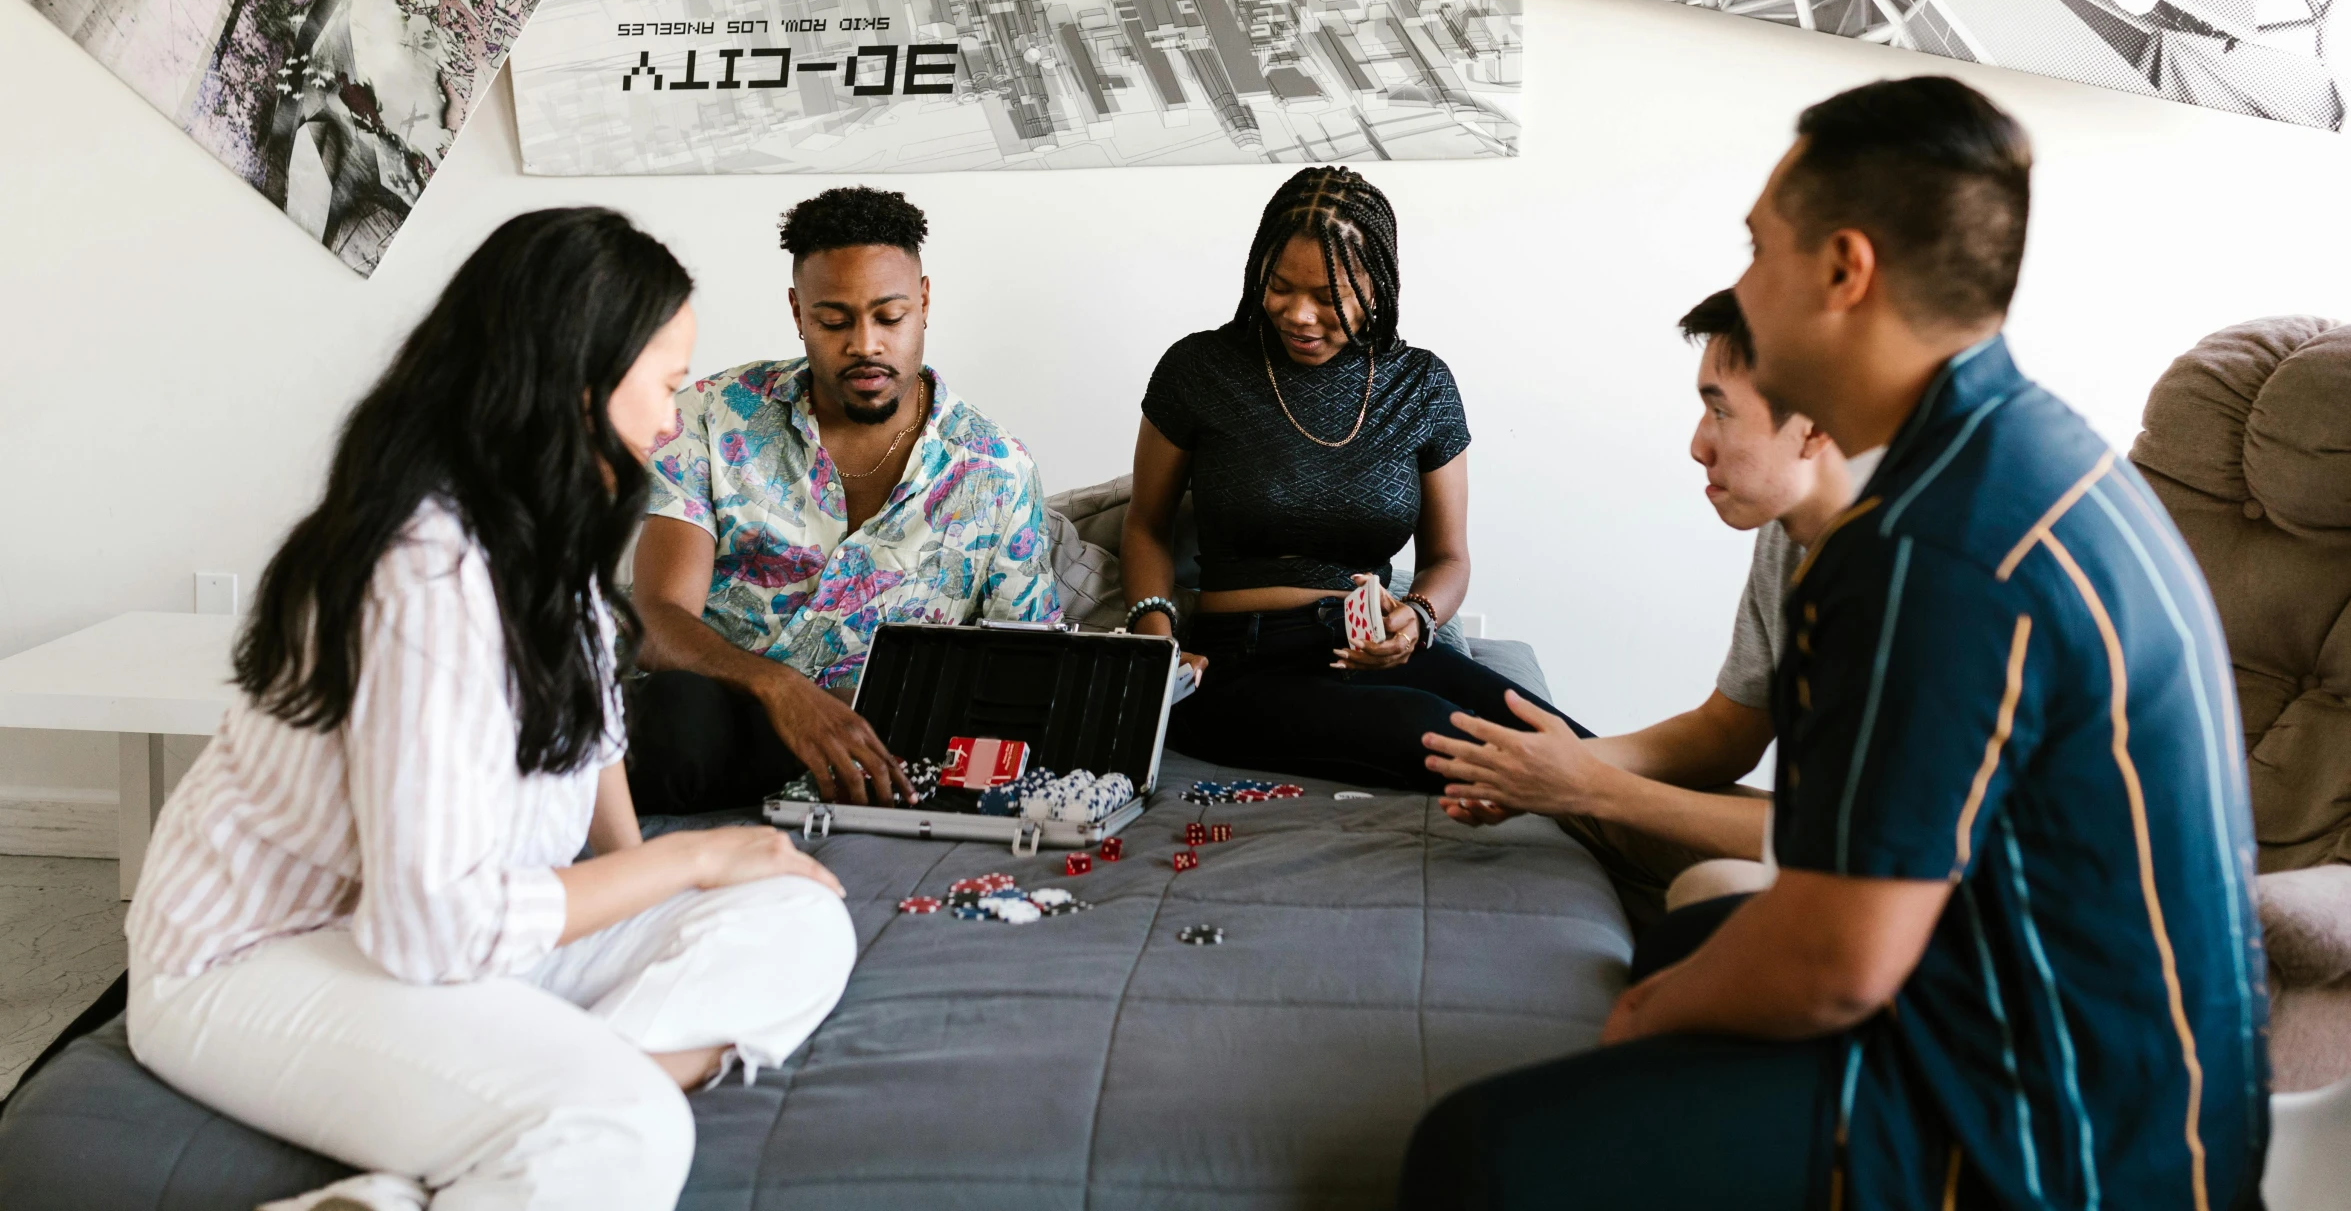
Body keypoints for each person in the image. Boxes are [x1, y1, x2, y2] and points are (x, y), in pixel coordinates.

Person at [1402, 77, 2269, 1211]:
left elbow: (1836, 960)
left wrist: (1643, 1022)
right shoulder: (2036, 452)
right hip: (2150, 1079)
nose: (1743, 286)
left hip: (2063, 1140)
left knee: (1477, 1152)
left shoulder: (1926, 548)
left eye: (1757, 250)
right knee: (1684, 948)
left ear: (1842, 270)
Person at [125, 209, 857, 1211]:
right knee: (631, 1124)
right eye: (668, 383)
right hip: (265, 955)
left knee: (799, 912)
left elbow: (594, 738)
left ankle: (473, 1150)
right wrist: (687, 860)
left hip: (466, 937)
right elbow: (426, 927)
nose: (672, 422)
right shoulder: (424, 575)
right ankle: (540, 1127)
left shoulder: (543, 522)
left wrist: (655, 879)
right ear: (581, 382)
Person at [1122, 165, 1586, 792]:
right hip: (1237, 666)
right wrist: (1157, 648)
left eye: (1329, 297)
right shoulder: (1199, 369)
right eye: (1279, 286)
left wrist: (1418, 619)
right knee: (1445, 733)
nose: (1300, 315)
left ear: (1379, 287)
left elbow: (1448, 558)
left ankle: (1720, 847)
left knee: (1564, 741)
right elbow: (1145, 524)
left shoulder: (1421, 386)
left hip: (1366, 648)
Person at [1424, 289, 1858, 930]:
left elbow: (1843, 837)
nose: (1698, 444)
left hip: (1900, 885)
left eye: (1721, 411)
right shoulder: (1784, 537)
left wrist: (1588, 785)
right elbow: (1726, 734)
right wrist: (1554, 766)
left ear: (1814, 427)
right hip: (1827, 838)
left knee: (1700, 880)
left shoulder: (1900, 568)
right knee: (1579, 814)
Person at [627, 187, 1059, 815]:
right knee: (672, 720)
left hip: (889, 732)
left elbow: (1026, 657)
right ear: (798, 313)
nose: (865, 344)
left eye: (890, 317)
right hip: (725, 707)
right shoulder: (712, 416)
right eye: (833, 321)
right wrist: (781, 689)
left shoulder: (997, 469)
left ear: (925, 303)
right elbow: (659, 616)